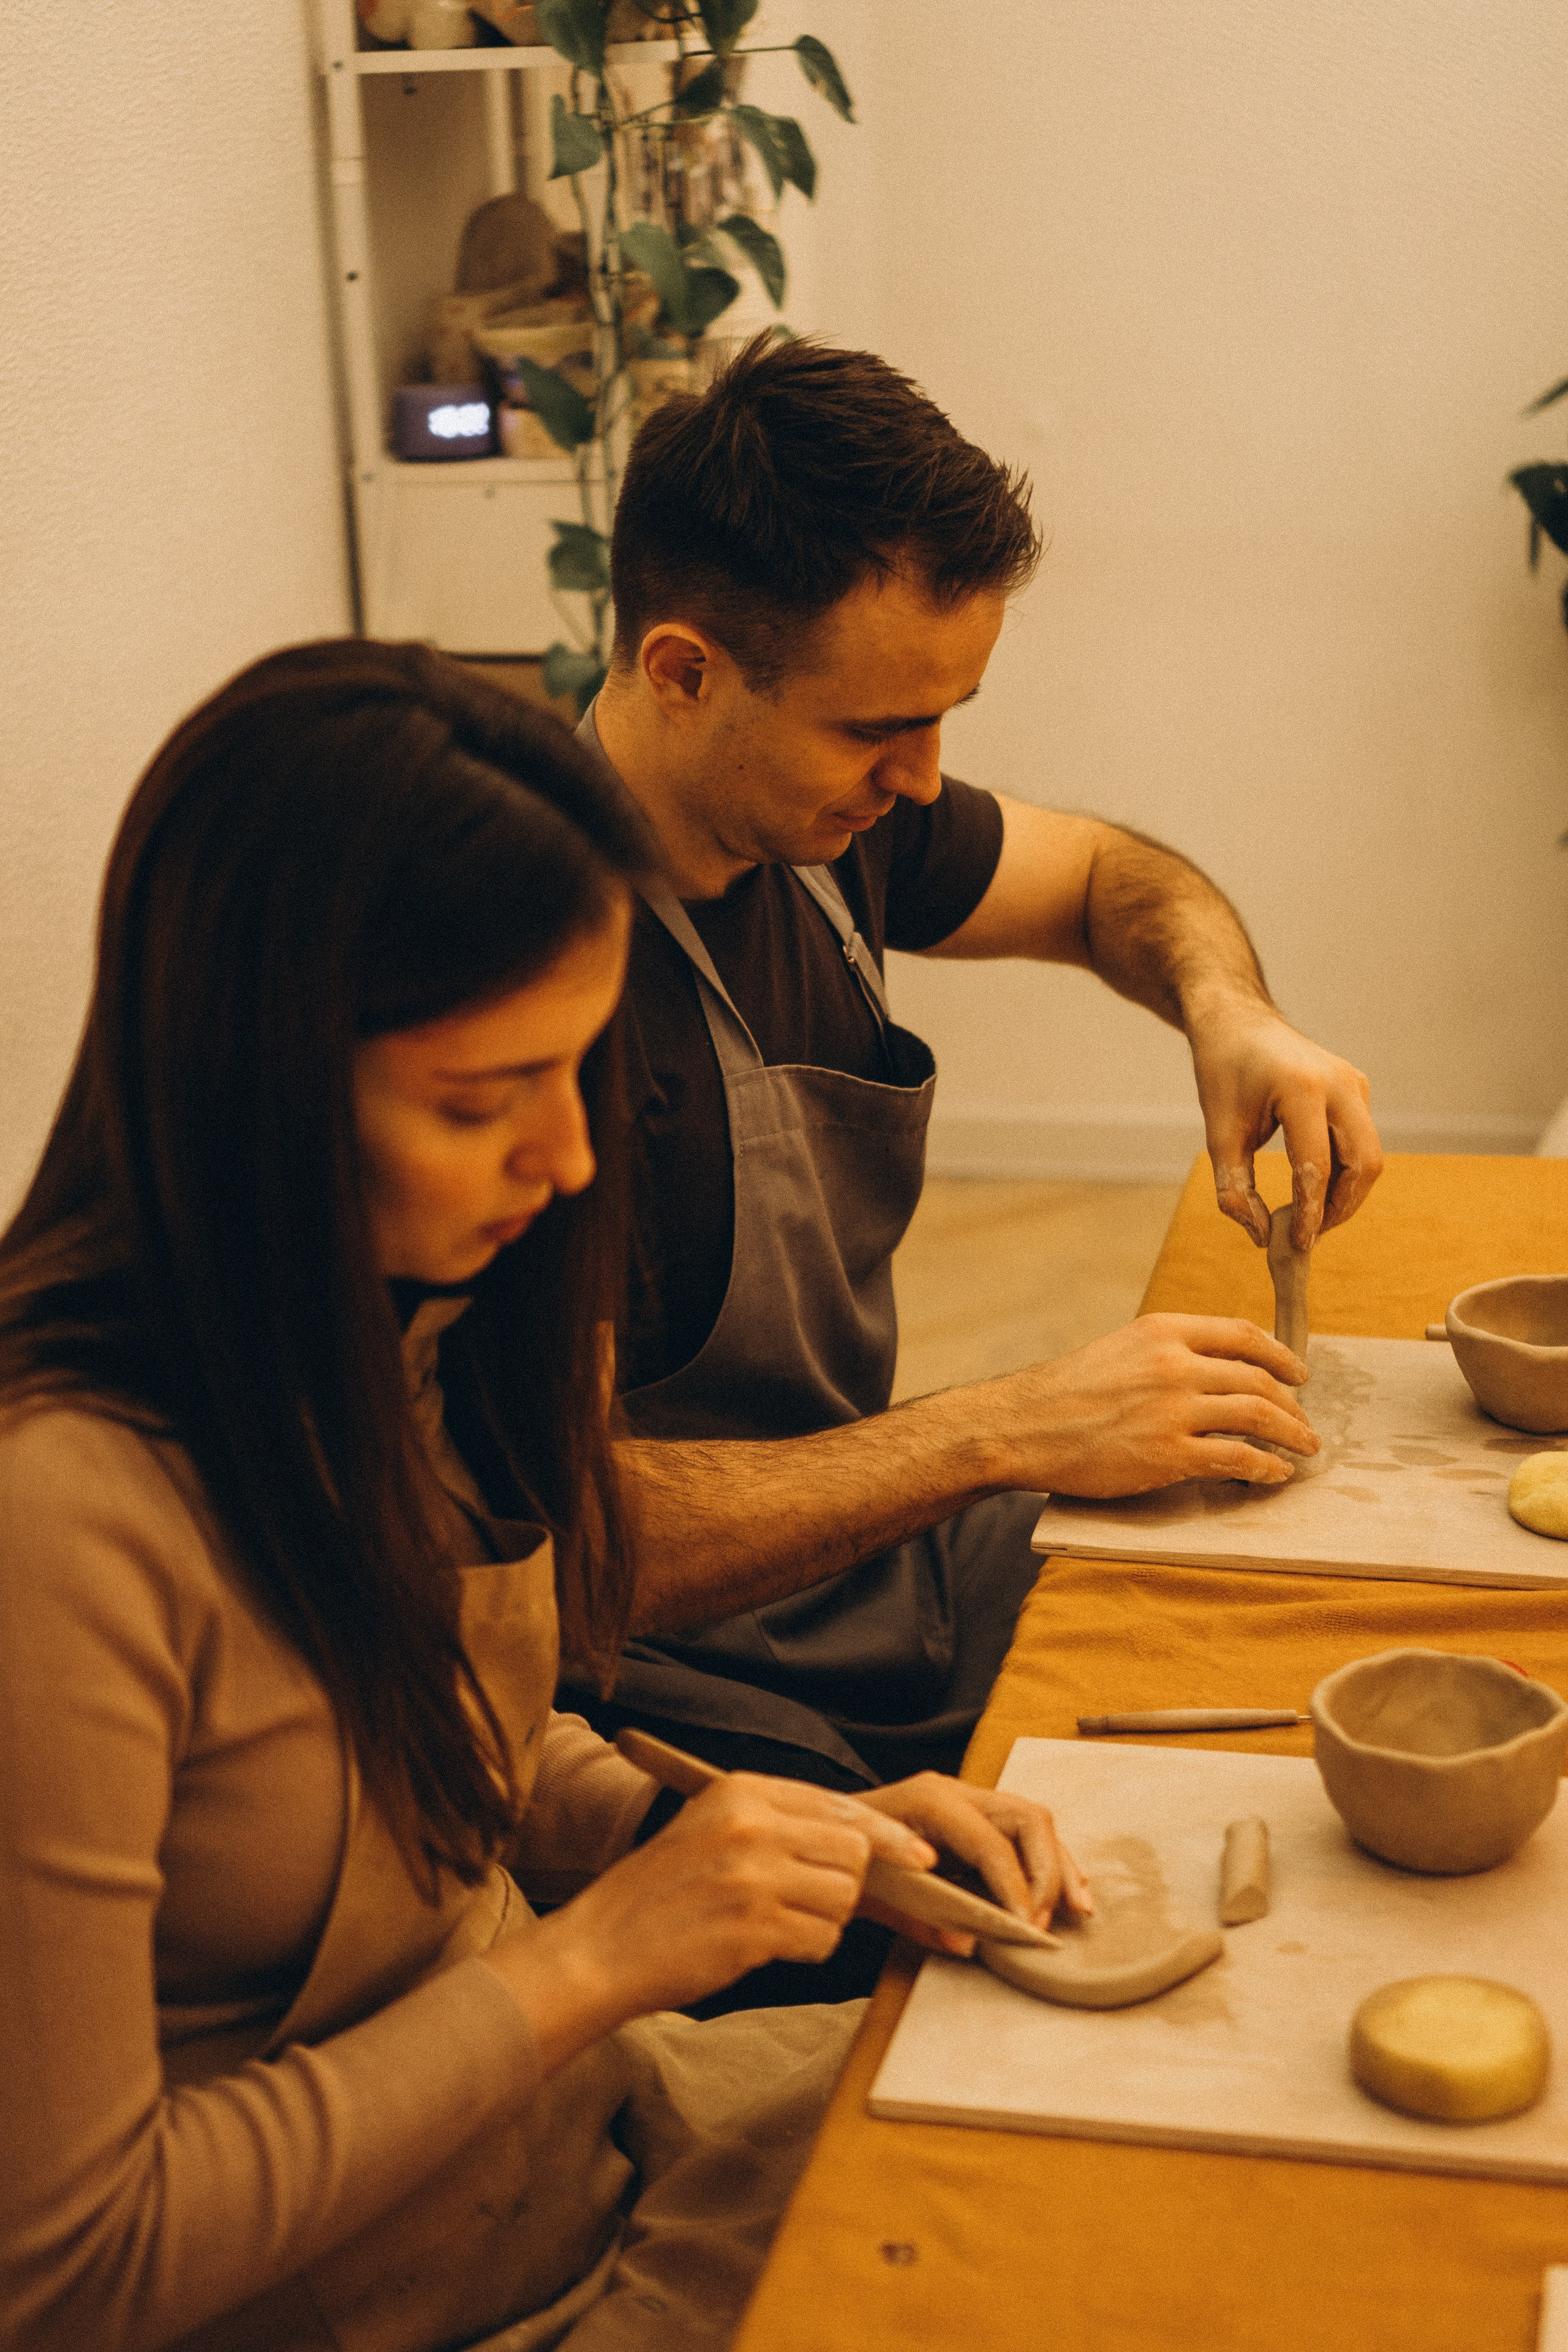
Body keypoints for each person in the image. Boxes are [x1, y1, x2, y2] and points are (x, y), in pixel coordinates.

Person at [0, 640, 1088, 2352]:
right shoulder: (62, 1525)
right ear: (252, 1085)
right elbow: (67, 2268)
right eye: (480, 1100)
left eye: (575, 1073)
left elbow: (446, 1758)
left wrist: (742, 1838)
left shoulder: (401, 1316)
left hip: (599, 2153)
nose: (571, 1161)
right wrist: (596, 1960)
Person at [564, 334, 1384, 1823]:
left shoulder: (828, 823)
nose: (927, 778)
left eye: (946, 717)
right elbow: (545, 1548)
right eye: (878, 727)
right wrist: (1007, 1429)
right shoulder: (523, 997)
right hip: (676, 1685)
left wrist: (1228, 1008)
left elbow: (1101, 882)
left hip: (866, 1555)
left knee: (1307, 1601)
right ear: (680, 671)